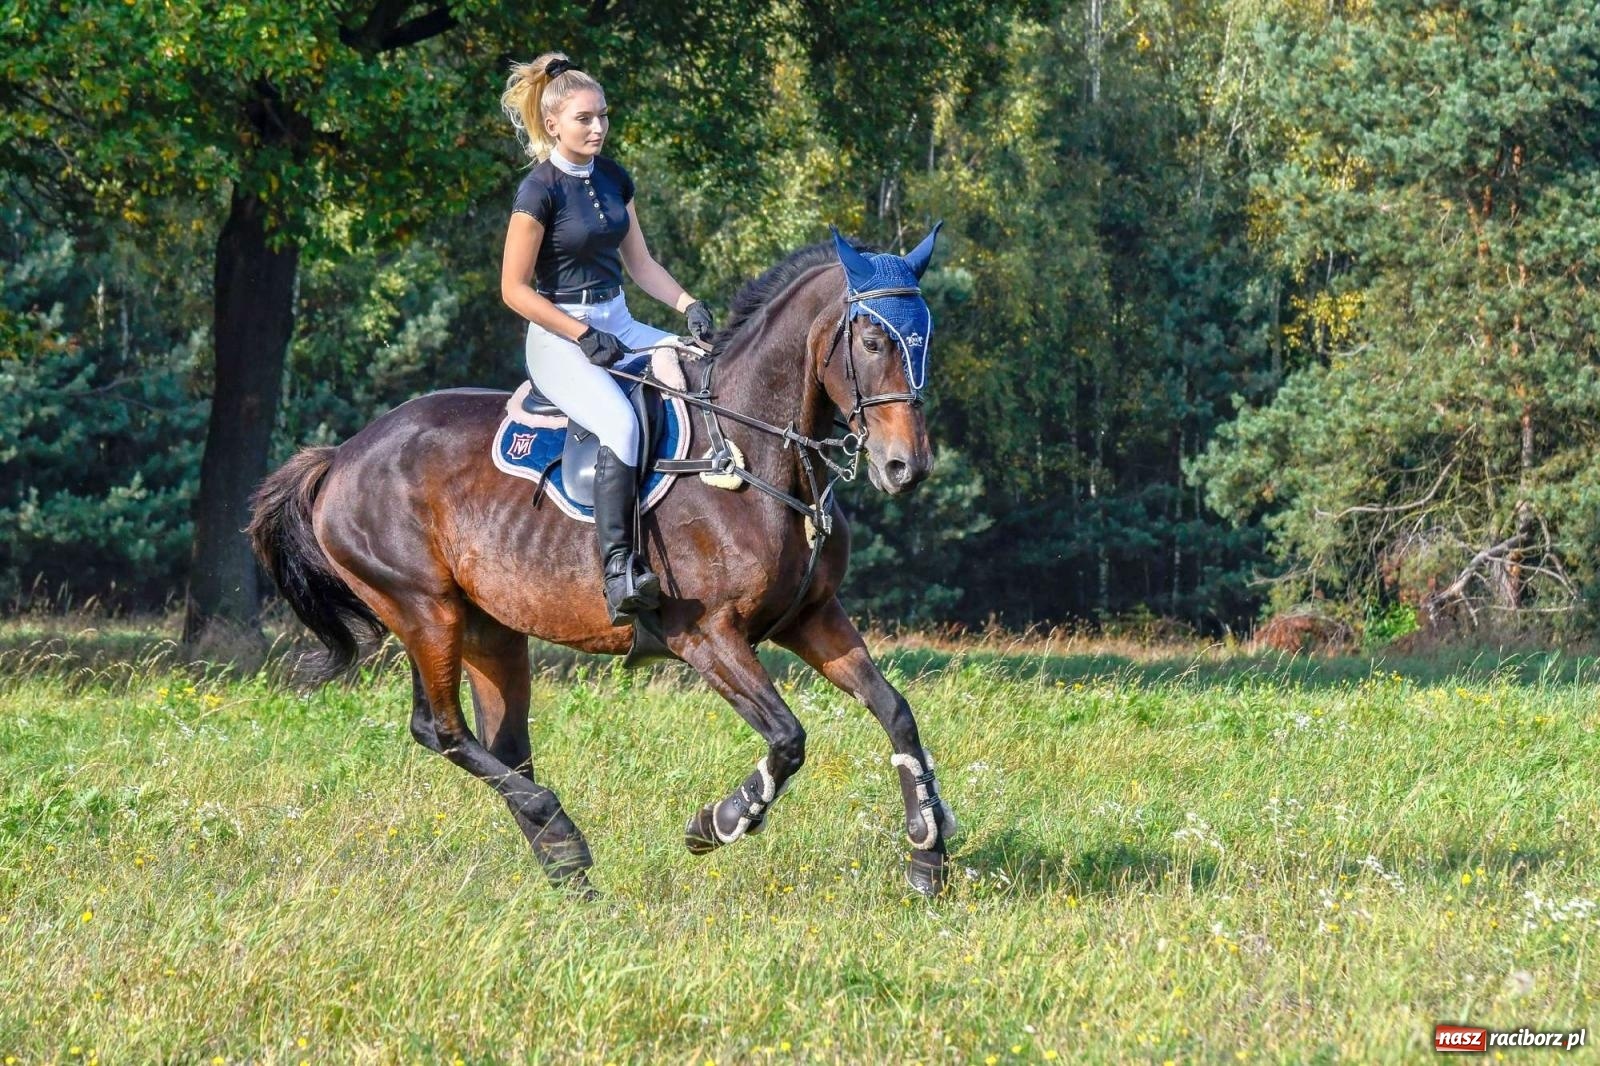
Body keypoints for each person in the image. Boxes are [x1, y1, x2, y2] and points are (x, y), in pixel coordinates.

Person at [499, 53, 715, 625]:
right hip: (558, 335)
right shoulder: (538, 190)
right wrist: (580, 334)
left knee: (702, 369)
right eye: (585, 119)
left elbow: (641, 265)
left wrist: (688, 306)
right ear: (553, 124)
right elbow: (514, 290)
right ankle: (619, 570)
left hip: (618, 321)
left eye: (603, 116)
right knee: (619, 424)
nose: (598, 128)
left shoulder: (614, 177)